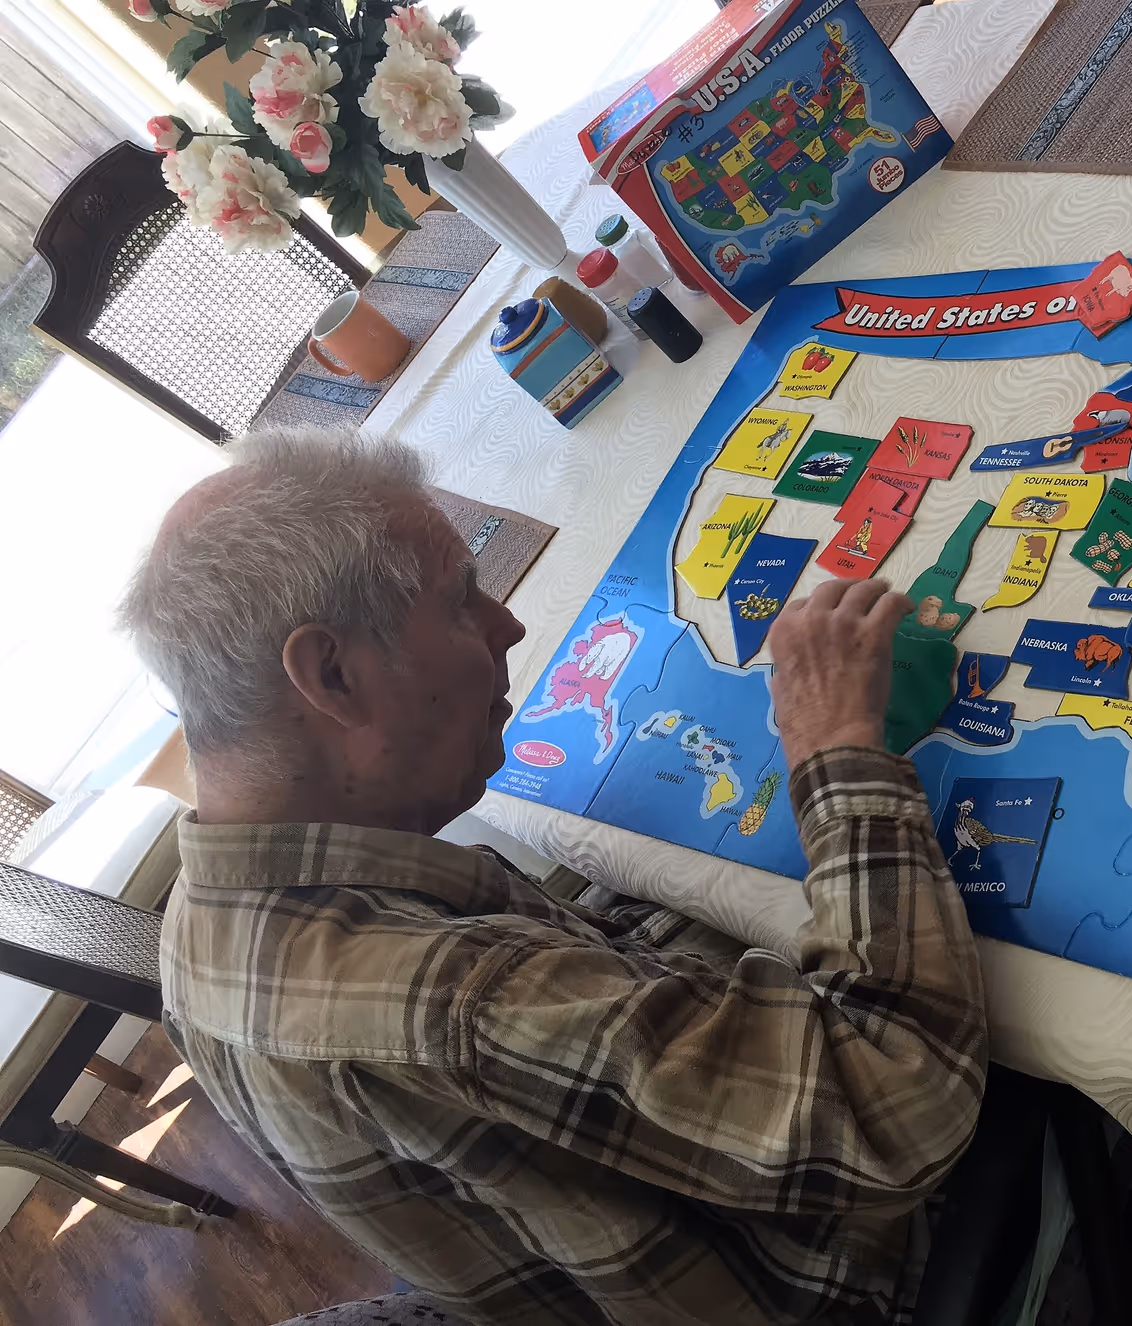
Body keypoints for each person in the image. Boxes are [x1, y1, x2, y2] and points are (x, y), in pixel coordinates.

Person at [121, 429, 989, 1325]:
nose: (510, 623)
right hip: (847, 1271)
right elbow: (900, 1103)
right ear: (331, 674)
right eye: (460, 602)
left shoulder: (201, 921)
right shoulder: (465, 1002)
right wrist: (834, 744)